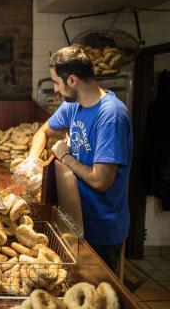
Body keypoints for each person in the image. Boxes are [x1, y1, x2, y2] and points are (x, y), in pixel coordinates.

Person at [25, 46, 133, 273]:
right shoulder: (73, 106)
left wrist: (65, 156)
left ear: (72, 80)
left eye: (57, 82)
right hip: (74, 220)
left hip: (101, 227)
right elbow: (43, 132)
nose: (55, 88)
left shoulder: (110, 115)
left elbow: (100, 181)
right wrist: (32, 161)